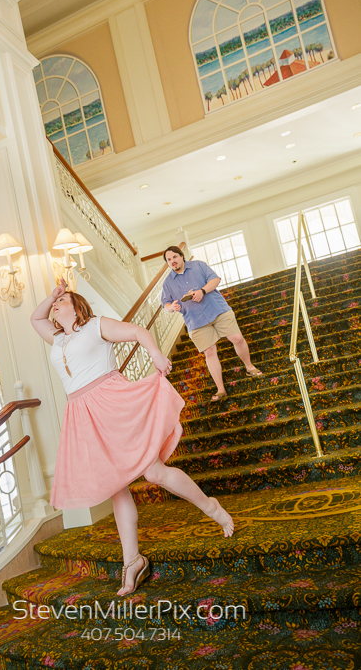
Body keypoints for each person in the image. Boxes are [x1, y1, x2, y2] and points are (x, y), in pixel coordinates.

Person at [30, 280, 234, 597]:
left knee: (153, 472)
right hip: (82, 413)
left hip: (111, 402)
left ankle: (212, 508)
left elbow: (138, 331)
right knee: (116, 489)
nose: (56, 305)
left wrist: (154, 354)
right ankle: (132, 561)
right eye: (56, 302)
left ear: (77, 306)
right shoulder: (57, 339)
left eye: (63, 300)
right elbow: (35, 319)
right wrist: (52, 294)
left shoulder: (96, 326)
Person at [161, 246, 263, 402]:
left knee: (237, 338)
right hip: (195, 320)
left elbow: (215, 280)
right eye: (169, 260)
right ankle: (221, 389)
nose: (172, 261)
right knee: (209, 352)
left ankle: (250, 367)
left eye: (174, 257)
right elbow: (165, 305)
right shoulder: (168, 282)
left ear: (181, 256)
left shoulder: (198, 265)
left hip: (217, 309)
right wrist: (172, 308)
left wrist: (202, 291)